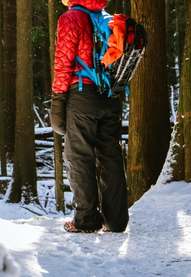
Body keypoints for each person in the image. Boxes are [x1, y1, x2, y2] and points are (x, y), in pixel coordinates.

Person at [50, 0, 128, 233]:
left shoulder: (71, 18)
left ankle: (85, 219)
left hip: (83, 94)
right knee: (110, 156)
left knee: (79, 157)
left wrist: (58, 98)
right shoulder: (109, 19)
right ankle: (116, 221)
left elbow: (63, 63)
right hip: (111, 95)